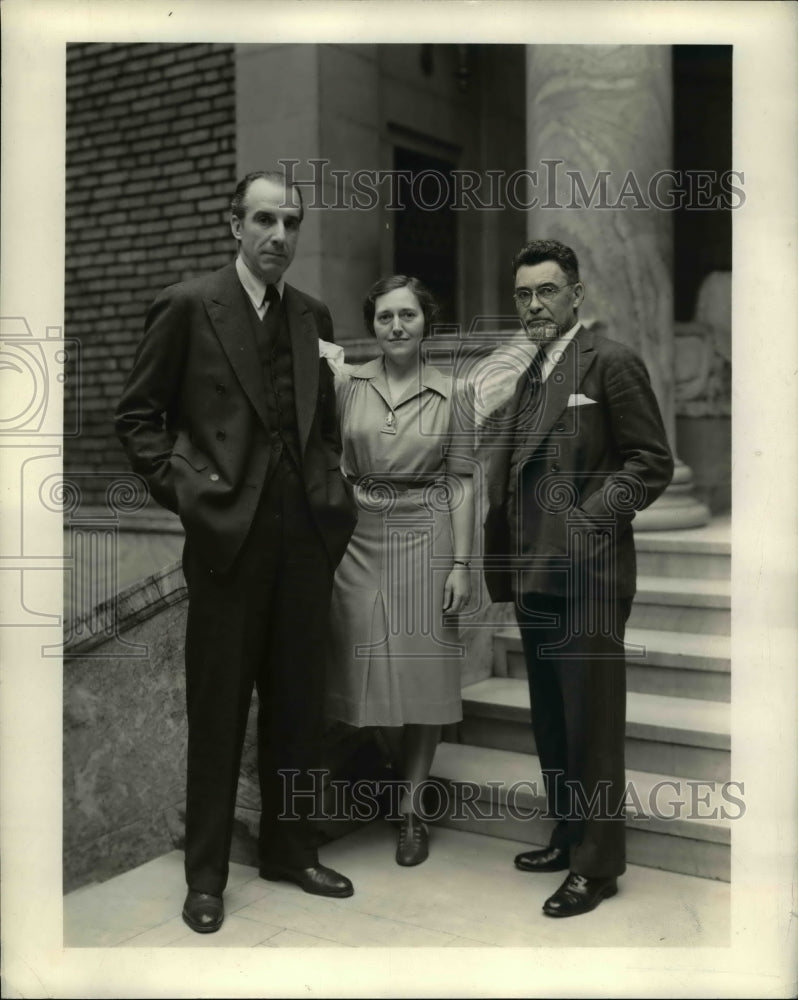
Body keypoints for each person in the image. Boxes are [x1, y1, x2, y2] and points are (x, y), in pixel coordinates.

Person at [115, 170, 358, 934]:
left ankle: (291, 851)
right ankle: (206, 878)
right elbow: (138, 418)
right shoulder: (190, 305)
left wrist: (329, 492)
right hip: (228, 543)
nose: (279, 235)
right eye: (264, 220)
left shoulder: (312, 314)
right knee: (219, 713)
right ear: (234, 224)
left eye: (291, 222)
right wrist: (189, 495)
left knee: (298, 707)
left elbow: (320, 425)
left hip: (304, 541)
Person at [483, 239, 674, 918]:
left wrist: (583, 522)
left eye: (547, 291)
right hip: (534, 574)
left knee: (591, 724)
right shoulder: (531, 374)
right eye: (523, 294)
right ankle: (568, 835)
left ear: (576, 295)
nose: (534, 305)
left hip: (587, 575)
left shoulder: (611, 361)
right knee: (553, 719)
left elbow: (651, 463)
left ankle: (597, 866)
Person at [323, 275, 475, 867]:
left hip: (426, 532)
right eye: (385, 316)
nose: (396, 326)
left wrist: (461, 563)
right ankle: (395, 770)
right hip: (358, 535)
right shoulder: (347, 386)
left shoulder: (454, 392)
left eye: (407, 315)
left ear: (425, 321)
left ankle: (412, 809)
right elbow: (328, 461)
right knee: (358, 662)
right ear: (373, 324)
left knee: (422, 670)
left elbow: (461, 481)